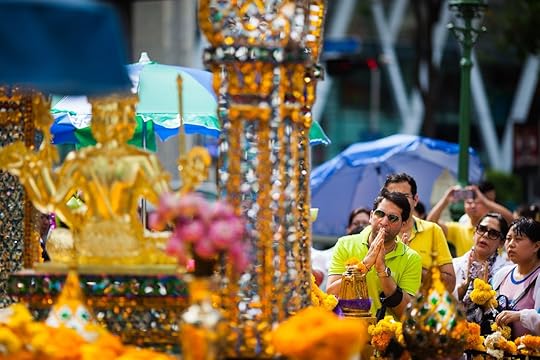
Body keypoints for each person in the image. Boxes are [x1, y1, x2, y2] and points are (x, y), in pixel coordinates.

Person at [327, 191, 422, 320]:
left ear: (403, 225)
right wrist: (364, 266)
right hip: (347, 331)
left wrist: (383, 272)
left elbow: (406, 313)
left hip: (388, 334)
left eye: (392, 218)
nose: (384, 221)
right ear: (371, 216)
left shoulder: (411, 258)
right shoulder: (345, 244)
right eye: (380, 214)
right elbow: (331, 295)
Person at [382, 173, 455, 291]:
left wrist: (411, 263)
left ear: (415, 200)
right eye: (392, 196)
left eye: (404, 196)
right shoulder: (375, 232)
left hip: (423, 308)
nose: (398, 202)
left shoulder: (433, 230)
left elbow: (450, 285)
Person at [453, 212, 510, 327]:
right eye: (482, 229)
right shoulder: (454, 264)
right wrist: (465, 284)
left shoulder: (506, 271)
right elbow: (443, 304)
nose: (485, 235)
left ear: (501, 243)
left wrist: (484, 293)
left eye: (493, 233)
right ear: (474, 233)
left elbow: (503, 314)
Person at [427, 184, 514, 257]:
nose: (473, 206)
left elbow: (511, 219)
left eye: (477, 203)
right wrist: (445, 200)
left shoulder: (496, 227)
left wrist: (485, 200)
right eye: (469, 202)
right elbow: (430, 223)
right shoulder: (459, 228)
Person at [493, 217, 540, 338]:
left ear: (536, 246)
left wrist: (519, 316)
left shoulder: (538, 276)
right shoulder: (502, 274)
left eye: (518, 239)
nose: (510, 244)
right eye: (508, 239)